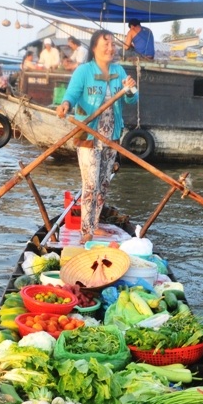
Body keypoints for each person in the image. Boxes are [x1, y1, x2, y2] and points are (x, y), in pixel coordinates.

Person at [54, 29, 138, 243]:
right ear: (94, 49)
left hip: (111, 136)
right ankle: (86, 231)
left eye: (112, 45)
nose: (111, 48)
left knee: (103, 183)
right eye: (106, 45)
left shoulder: (119, 71)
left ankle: (96, 224)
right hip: (89, 135)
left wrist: (130, 90)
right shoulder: (84, 71)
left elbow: (130, 101)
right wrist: (65, 105)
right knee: (90, 184)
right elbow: (71, 95)